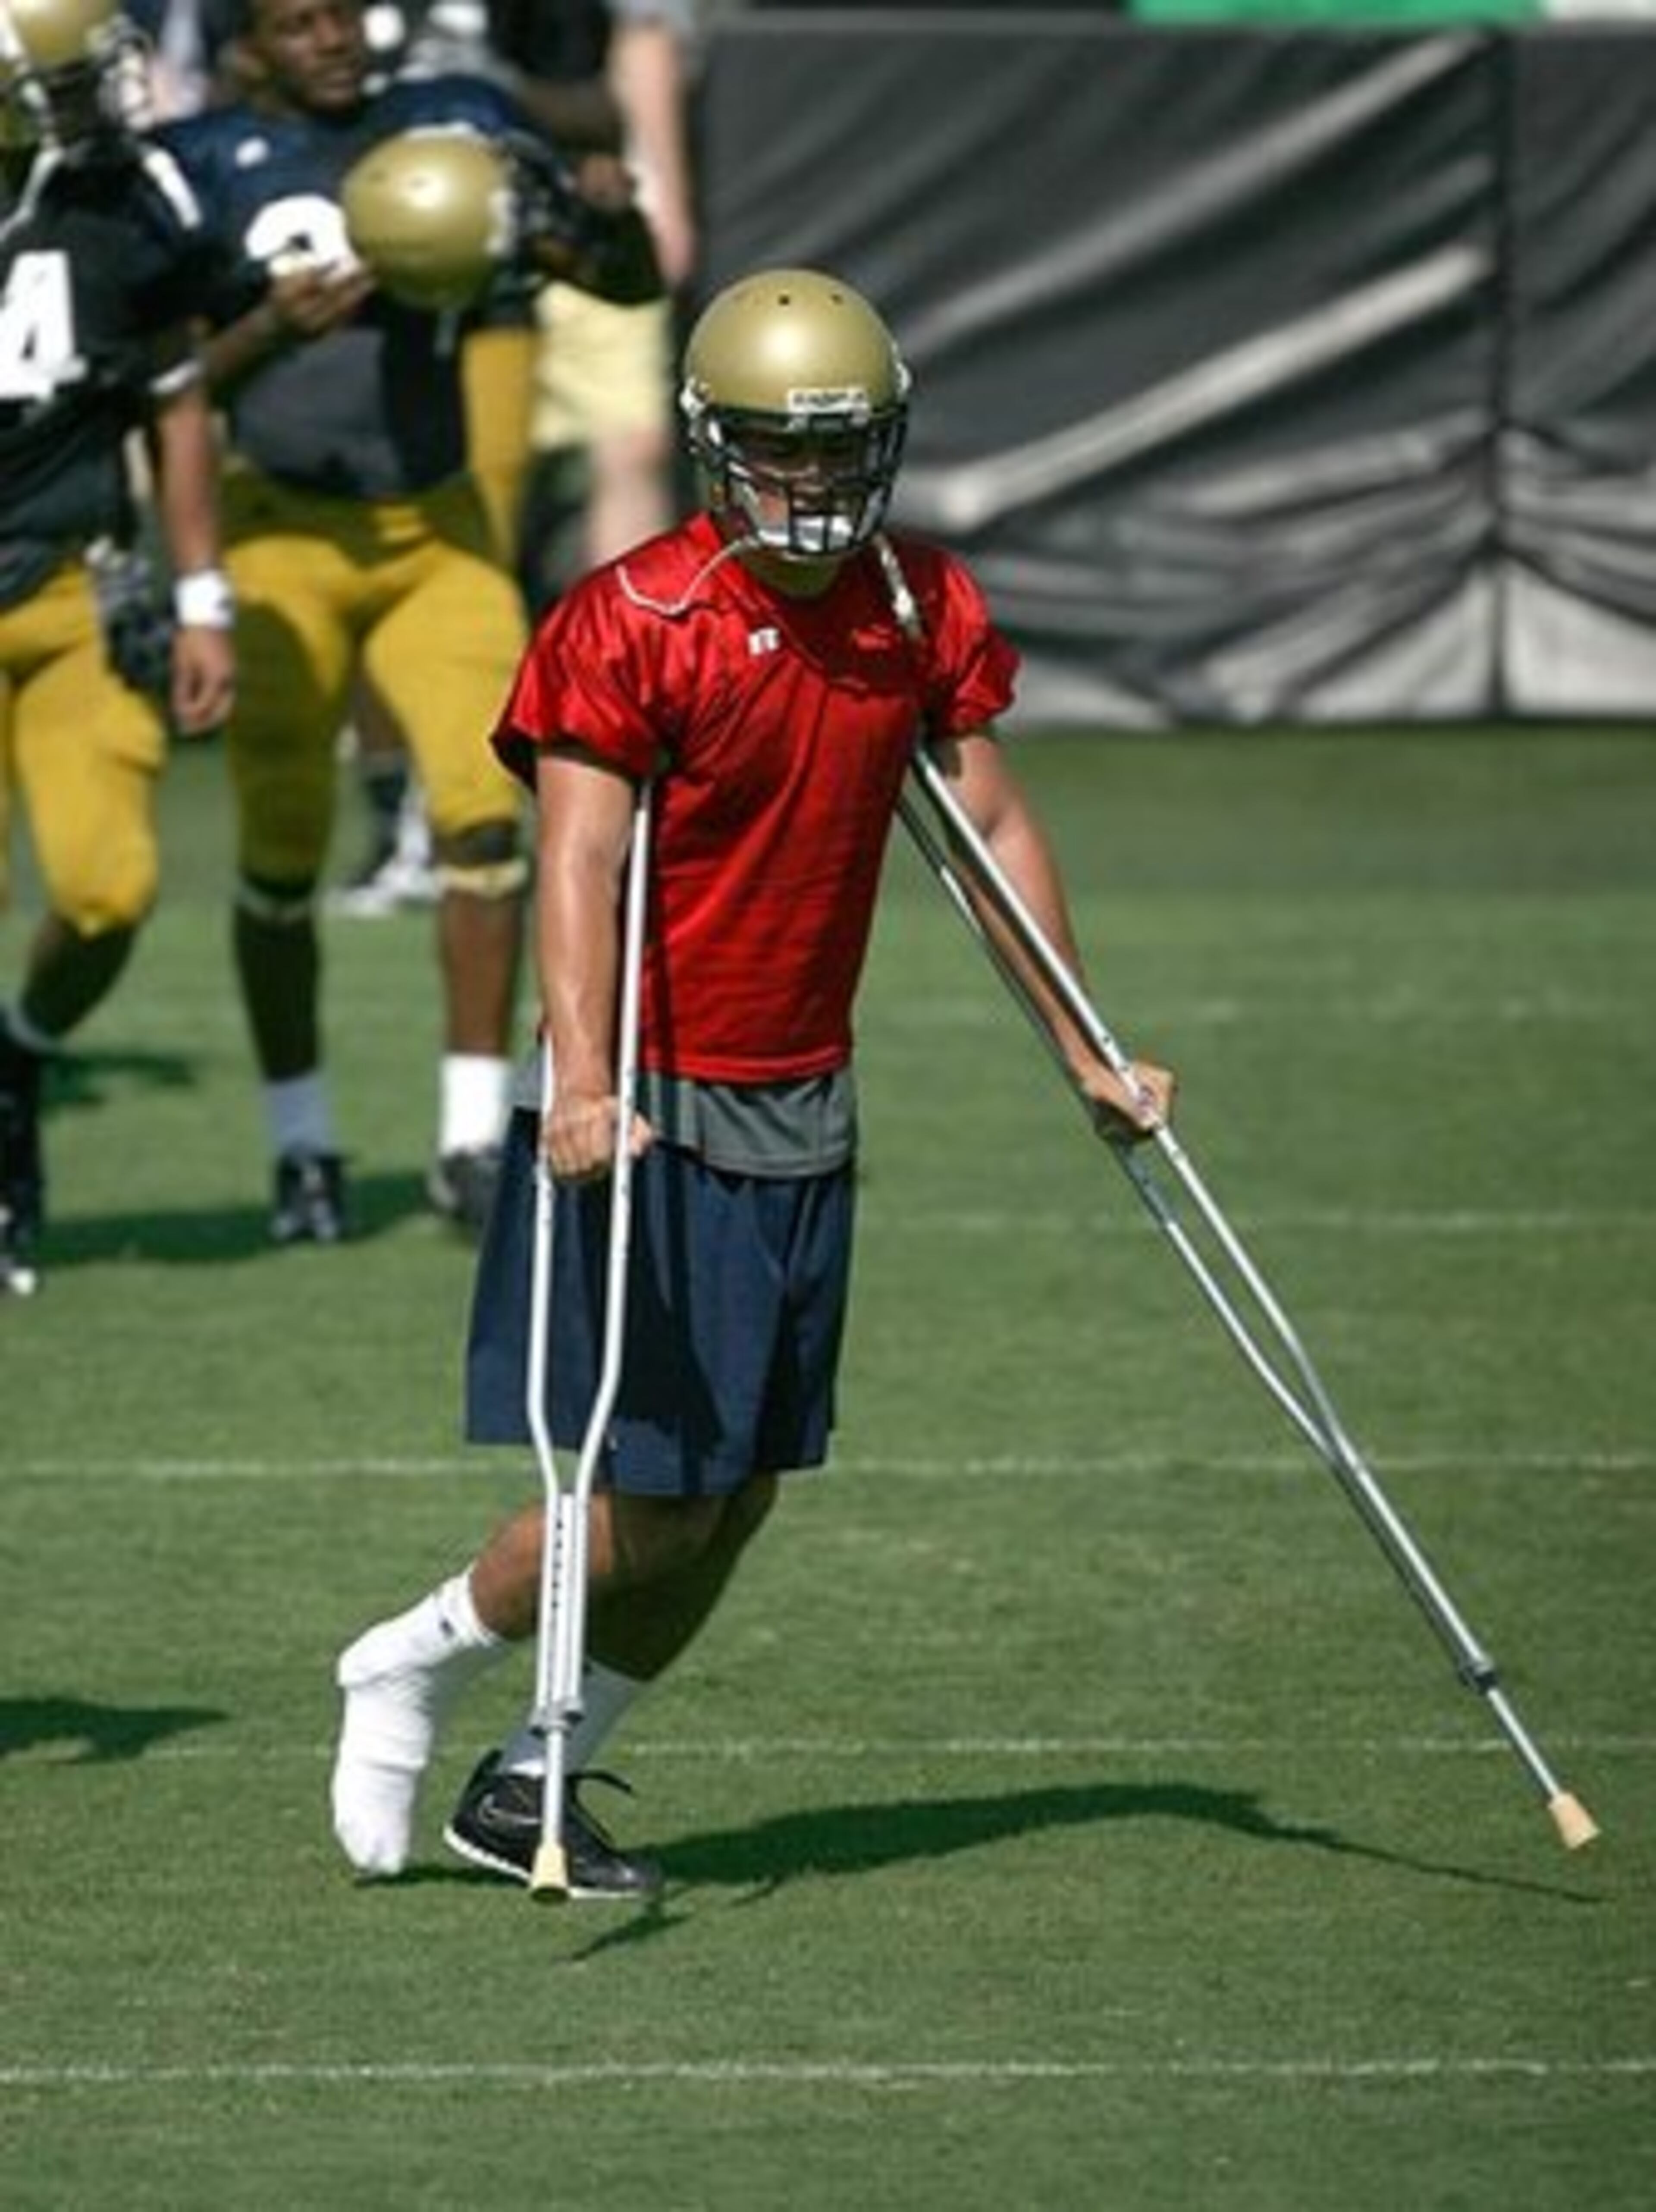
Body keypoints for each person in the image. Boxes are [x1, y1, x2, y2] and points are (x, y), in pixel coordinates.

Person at [328, 267, 1177, 1892]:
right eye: (784, 454)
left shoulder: (920, 608)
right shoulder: (637, 617)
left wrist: (1085, 1048)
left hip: (806, 1097)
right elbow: (576, 859)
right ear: (718, 450)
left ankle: (532, 1782)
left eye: (844, 452)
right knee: (657, 1499)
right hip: (646, 1098)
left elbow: (988, 829)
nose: (816, 487)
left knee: (752, 1488)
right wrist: (579, 1081)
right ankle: (414, 1659)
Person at [161, 0, 658, 1244]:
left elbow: (627, 277)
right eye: (301, 22)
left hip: (435, 535)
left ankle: (470, 1139)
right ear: (249, 42)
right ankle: (303, 1144)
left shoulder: (454, 120)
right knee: (281, 850)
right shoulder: (203, 163)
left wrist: (610, 212)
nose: (335, 39)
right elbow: (154, 383)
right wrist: (271, 329)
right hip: (280, 531)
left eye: (345, 15)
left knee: (488, 821)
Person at [0, 0, 237, 1298]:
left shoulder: (117, 200)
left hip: (73, 587)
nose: (89, 102)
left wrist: (203, 593)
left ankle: (17, 1053)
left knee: (107, 890)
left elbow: (178, 393)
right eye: (59, 79)